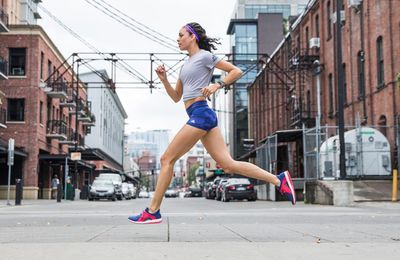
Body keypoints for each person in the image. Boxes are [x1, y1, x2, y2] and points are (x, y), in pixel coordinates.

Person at [128, 22, 296, 224]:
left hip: (201, 113)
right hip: (199, 115)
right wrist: (163, 79)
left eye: (181, 35)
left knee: (166, 159)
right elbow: (176, 97)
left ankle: (153, 210)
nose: (178, 39)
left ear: (192, 37)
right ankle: (279, 180)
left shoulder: (205, 57)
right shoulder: (184, 67)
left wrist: (217, 84)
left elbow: (236, 71)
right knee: (228, 164)